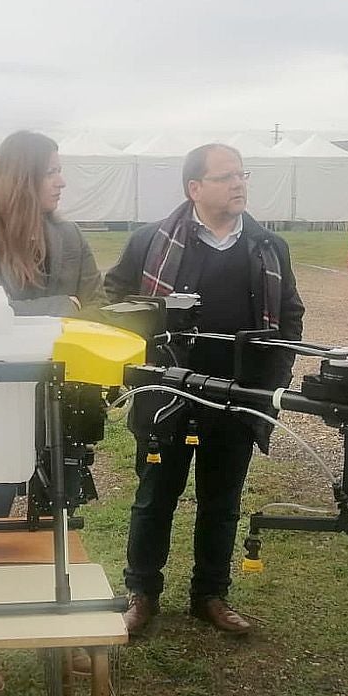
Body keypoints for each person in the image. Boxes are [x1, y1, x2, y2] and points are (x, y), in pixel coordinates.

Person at [105, 143, 305, 638]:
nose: (239, 184)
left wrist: (271, 385)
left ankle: (210, 595)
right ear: (195, 188)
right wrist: (143, 362)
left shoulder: (268, 247)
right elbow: (113, 301)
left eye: (242, 174)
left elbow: (290, 320)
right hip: (167, 394)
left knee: (223, 502)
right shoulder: (151, 242)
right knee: (155, 497)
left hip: (238, 398)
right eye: (226, 177)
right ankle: (143, 592)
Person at [0, 129, 105, 692]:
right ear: (23, 178)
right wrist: (62, 307)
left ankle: (57, 629)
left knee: (56, 511)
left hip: (63, 394)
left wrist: (50, 312)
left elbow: (96, 311)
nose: (62, 181)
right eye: (52, 171)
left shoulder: (71, 235)